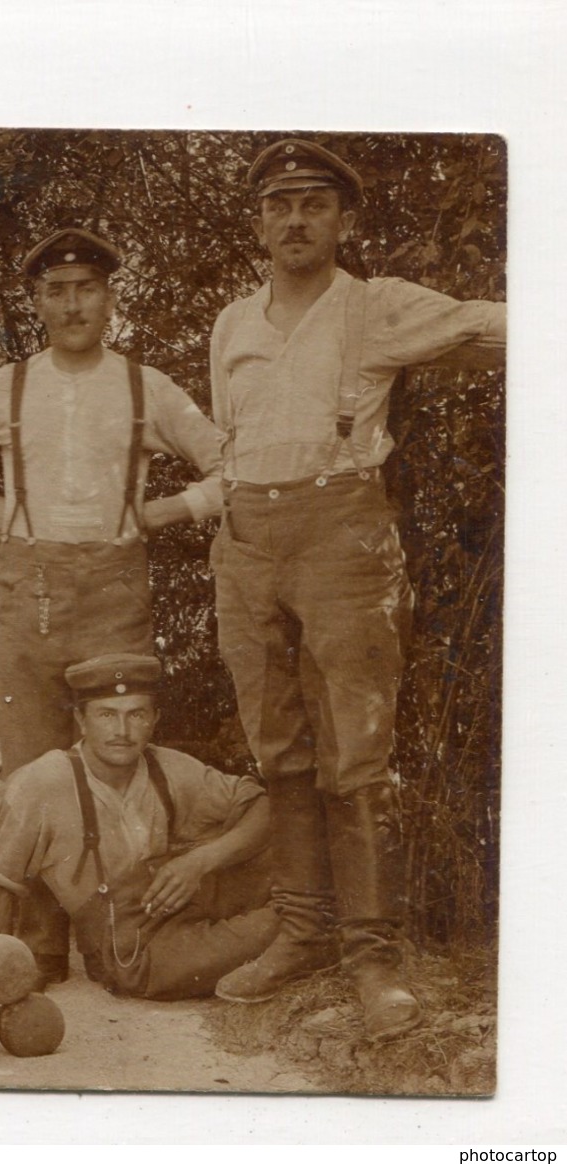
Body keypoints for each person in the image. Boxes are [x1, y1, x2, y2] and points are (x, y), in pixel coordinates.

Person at [207, 139, 506, 1039]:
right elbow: (230, 437)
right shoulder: (231, 324)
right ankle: (300, 931)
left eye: (312, 204)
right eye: (277, 205)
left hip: (342, 530)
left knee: (355, 748)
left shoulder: (375, 307)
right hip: (247, 533)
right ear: (259, 222)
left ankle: (371, 955)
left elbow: (492, 325)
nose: (293, 219)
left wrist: (451, 348)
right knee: (277, 742)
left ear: (343, 220)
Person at [0, 227, 227, 980]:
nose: (71, 304)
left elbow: (231, 466)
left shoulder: (146, 387)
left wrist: (168, 510)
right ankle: (35, 946)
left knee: (116, 753)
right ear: (36, 302)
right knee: (33, 764)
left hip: (114, 584)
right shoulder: (10, 384)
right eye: (55, 291)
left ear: (109, 298)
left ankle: (124, 932)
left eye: (85, 289)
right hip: (28, 587)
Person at [0, 654, 279, 1001]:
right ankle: (300, 930)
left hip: (191, 905)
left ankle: (297, 928)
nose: (122, 731)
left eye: (137, 714)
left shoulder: (168, 767)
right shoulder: (42, 783)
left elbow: (263, 805)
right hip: (133, 948)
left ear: (155, 719)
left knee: (283, 854)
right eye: (107, 715)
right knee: (290, 927)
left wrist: (200, 861)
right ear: (81, 720)